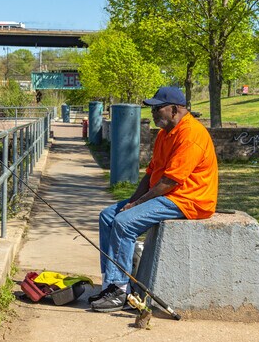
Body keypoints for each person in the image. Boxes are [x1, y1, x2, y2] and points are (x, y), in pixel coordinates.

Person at [89, 86, 219, 312]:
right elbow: (151, 174)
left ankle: (119, 292)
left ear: (175, 109)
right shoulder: (164, 134)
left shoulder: (191, 135)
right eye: (152, 109)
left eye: (157, 108)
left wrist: (135, 206)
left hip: (188, 199)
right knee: (109, 215)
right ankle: (112, 283)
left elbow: (170, 182)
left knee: (124, 223)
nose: (153, 113)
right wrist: (130, 201)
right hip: (168, 194)